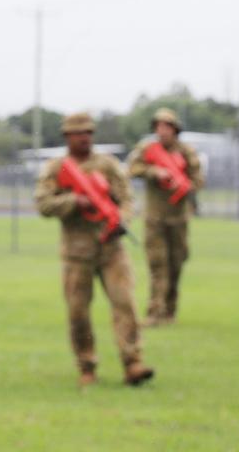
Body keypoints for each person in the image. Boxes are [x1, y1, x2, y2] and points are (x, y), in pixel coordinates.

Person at [34, 113, 154, 387]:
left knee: (125, 304)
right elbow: (43, 204)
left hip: (111, 248)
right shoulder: (56, 168)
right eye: (78, 133)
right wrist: (75, 201)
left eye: (88, 132)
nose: (84, 137)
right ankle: (86, 365)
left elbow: (126, 198)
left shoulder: (107, 165)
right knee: (78, 313)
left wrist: (121, 219)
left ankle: (133, 362)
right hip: (76, 253)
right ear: (67, 137)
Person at [126, 107, 205, 326]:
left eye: (166, 127)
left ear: (175, 129)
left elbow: (198, 180)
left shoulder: (187, 152)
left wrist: (184, 185)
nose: (162, 131)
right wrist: (154, 171)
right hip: (154, 219)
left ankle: (170, 311)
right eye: (158, 127)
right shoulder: (147, 149)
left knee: (176, 264)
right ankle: (155, 312)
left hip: (179, 219)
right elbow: (132, 168)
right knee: (157, 264)